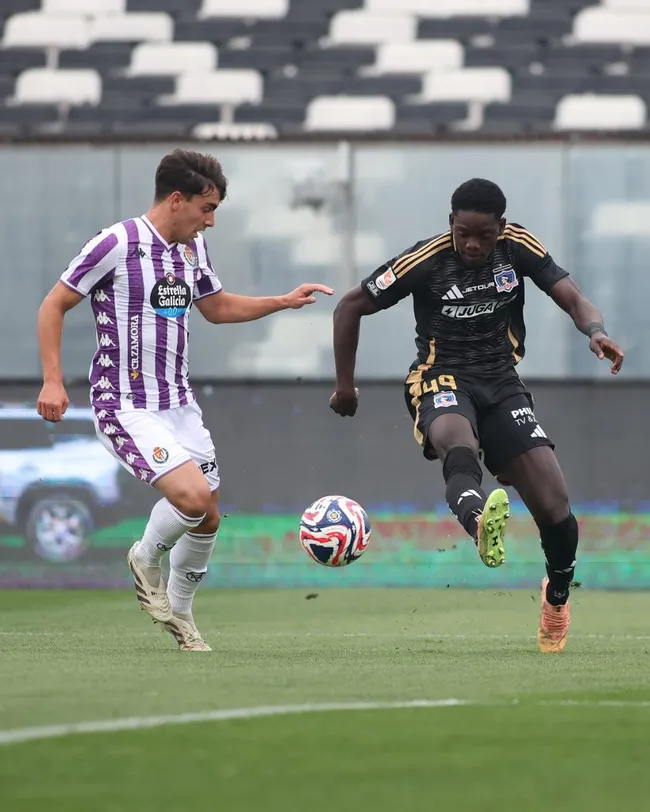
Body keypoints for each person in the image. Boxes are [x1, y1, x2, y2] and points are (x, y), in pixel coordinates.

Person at [37, 148, 332, 651]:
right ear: (178, 199)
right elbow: (55, 302)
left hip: (179, 405)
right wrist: (53, 380)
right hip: (125, 403)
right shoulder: (117, 242)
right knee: (192, 499)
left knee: (209, 516)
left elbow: (216, 308)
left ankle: (180, 615)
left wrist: (281, 301)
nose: (210, 221)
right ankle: (144, 557)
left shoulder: (191, 250)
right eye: (206, 208)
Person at [329, 178, 623, 653]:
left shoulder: (518, 248)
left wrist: (595, 330)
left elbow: (570, 294)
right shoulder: (425, 260)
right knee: (454, 438)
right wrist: (345, 386)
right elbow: (349, 306)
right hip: (439, 376)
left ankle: (558, 596)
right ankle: (478, 522)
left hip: (502, 384)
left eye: (483, 235)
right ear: (451, 224)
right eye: (463, 232)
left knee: (555, 507)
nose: (472, 244)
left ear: (500, 229)